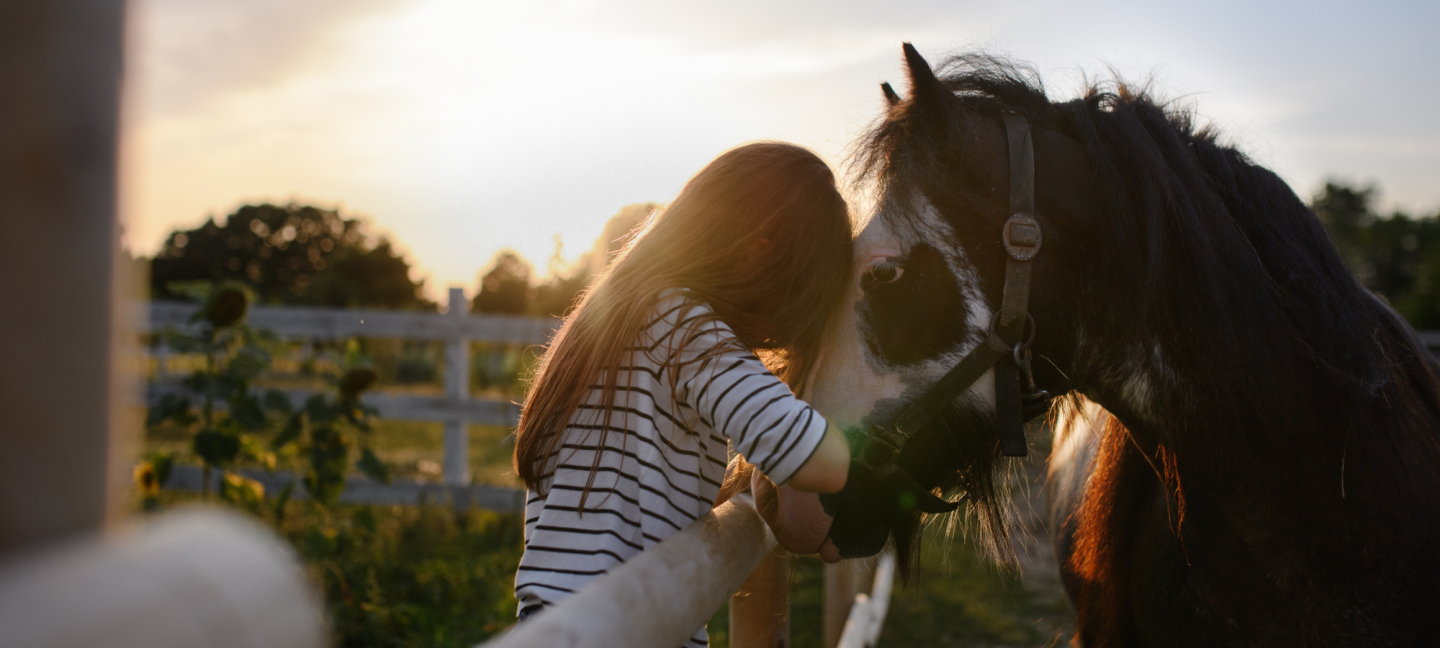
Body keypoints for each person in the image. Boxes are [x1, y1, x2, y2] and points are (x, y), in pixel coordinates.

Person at [511, 142, 854, 646]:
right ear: (757, 255)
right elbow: (820, 462)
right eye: (804, 293)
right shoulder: (686, 328)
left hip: (551, 623)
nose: (794, 326)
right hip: (631, 629)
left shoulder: (614, 319)